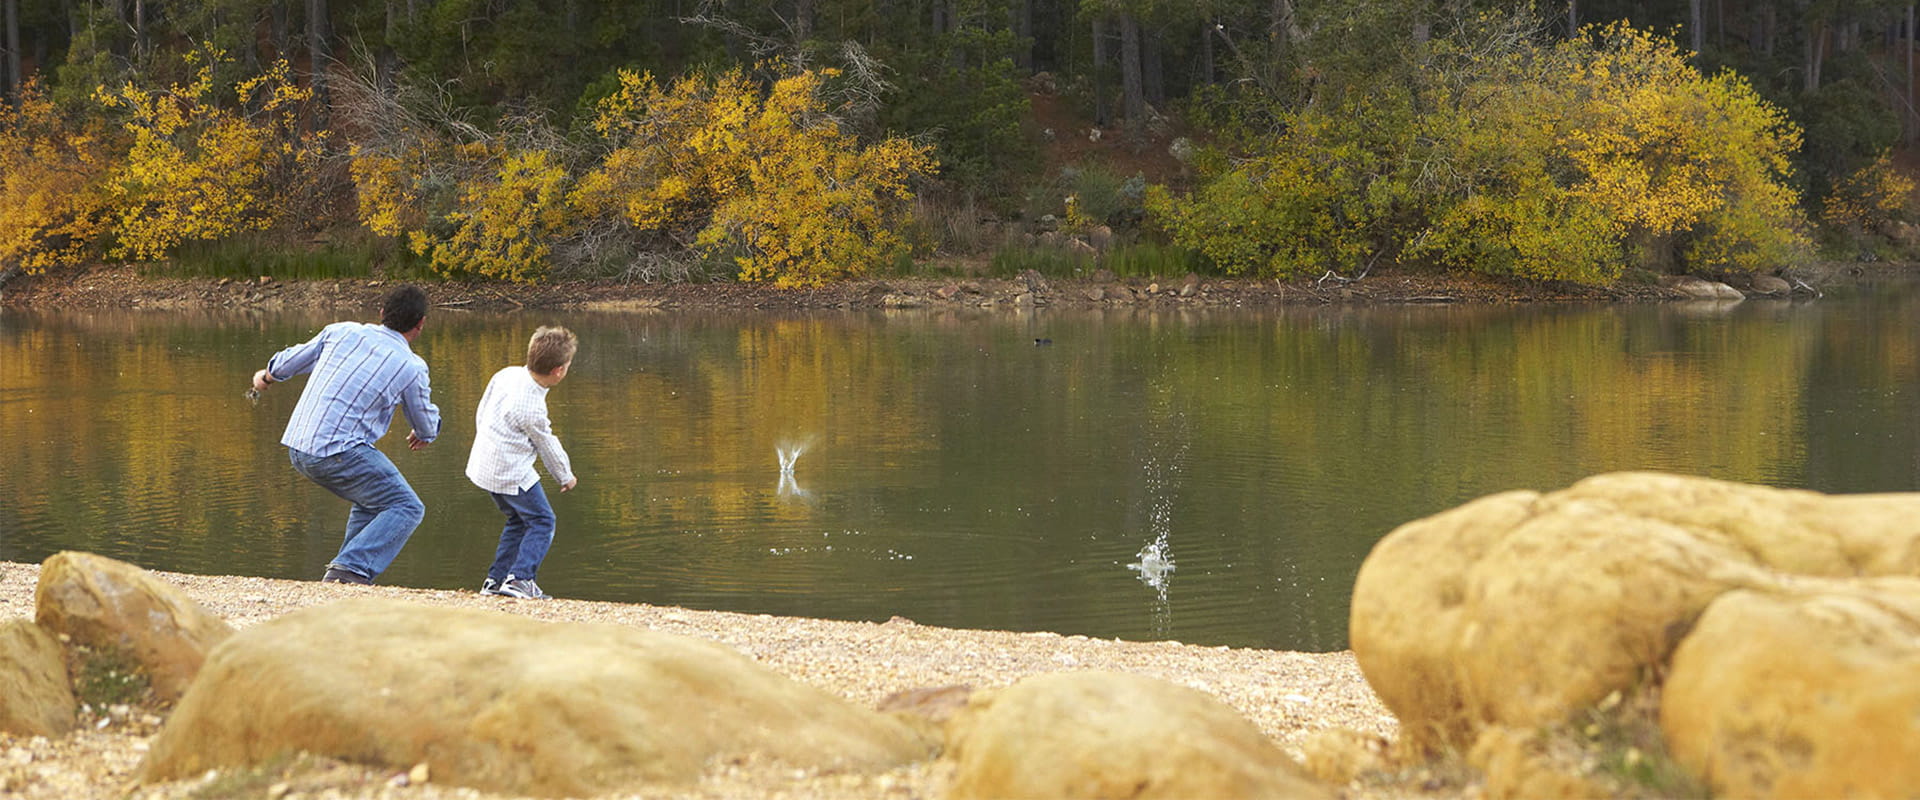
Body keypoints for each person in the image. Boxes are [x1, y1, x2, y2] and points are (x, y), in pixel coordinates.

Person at [251, 285, 441, 585]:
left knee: (375, 501)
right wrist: (425, 432)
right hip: (337, 452)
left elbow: (289, 362)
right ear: (421, 324)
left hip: (298, 445)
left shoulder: (340, 332)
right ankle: (350, 570)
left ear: (381, 313)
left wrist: (267, 375)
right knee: (406, 506)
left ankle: (343, 575)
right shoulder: (412, 366)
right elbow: (426, 426)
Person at [466, 326, 579, 600]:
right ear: (559, 371)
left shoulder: (506, 374)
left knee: (518, 520)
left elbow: (482, 411)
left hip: (484, 462)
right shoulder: (531, 407)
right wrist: (565, 475)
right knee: (542, 520)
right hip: (509, 472)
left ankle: (496, 580)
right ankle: (521, 579)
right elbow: (547, 444)